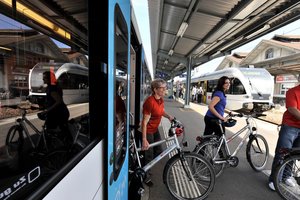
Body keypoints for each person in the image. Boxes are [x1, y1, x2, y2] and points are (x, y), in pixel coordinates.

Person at [268, 75, 300, 191]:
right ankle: (274, 179)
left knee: (294, 155)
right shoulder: (292, 92)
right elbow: (292, 109)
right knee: (282, 153)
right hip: (290, 127)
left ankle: (286, 176)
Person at [141, 78, 174, 186]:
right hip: (148, 131)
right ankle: (146, 176)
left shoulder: (160, 99)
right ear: (155, 89)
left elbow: (161, 111)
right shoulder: (149, 102)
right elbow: (144, 122)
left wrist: (168, 116)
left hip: (155, 129)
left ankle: (145, 163)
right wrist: (144, 139)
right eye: (163, 88)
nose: (165, 90)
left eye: (165, 88)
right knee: (149, 154)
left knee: (159, 151)